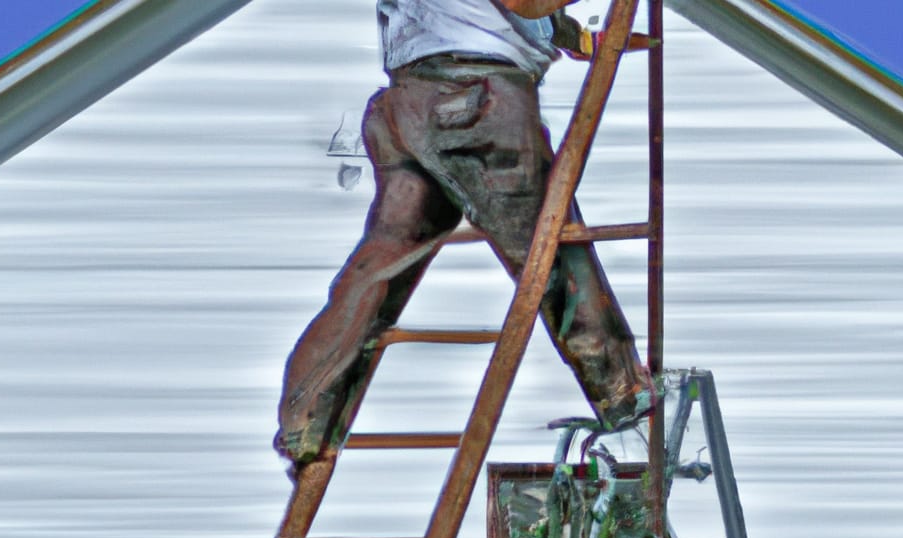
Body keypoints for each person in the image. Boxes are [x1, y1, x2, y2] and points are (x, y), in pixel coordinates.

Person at [274, 0, 653, 475]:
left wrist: (579, 38)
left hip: (411, 100)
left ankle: (307, 418)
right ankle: (626, 399)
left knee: (382, 264)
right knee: (552, 251)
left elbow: (523, 15)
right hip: (475, 100)